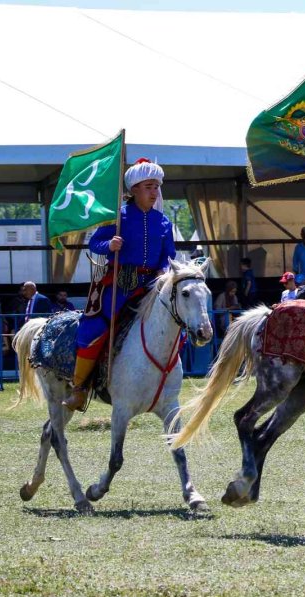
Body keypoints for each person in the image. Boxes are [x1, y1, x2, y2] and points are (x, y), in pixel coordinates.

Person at [67, 158, 176, 411]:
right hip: (120, 285)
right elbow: (95, 244)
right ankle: (79, 388)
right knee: (93, 329)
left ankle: (167, 379)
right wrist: (110, 245)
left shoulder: (164, 222)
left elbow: (168, 256)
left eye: (156, 186)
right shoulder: (117, 218)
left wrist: (164, 270)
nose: (154, 192)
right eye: (148, 186)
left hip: (153, 286)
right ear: (134, 189)